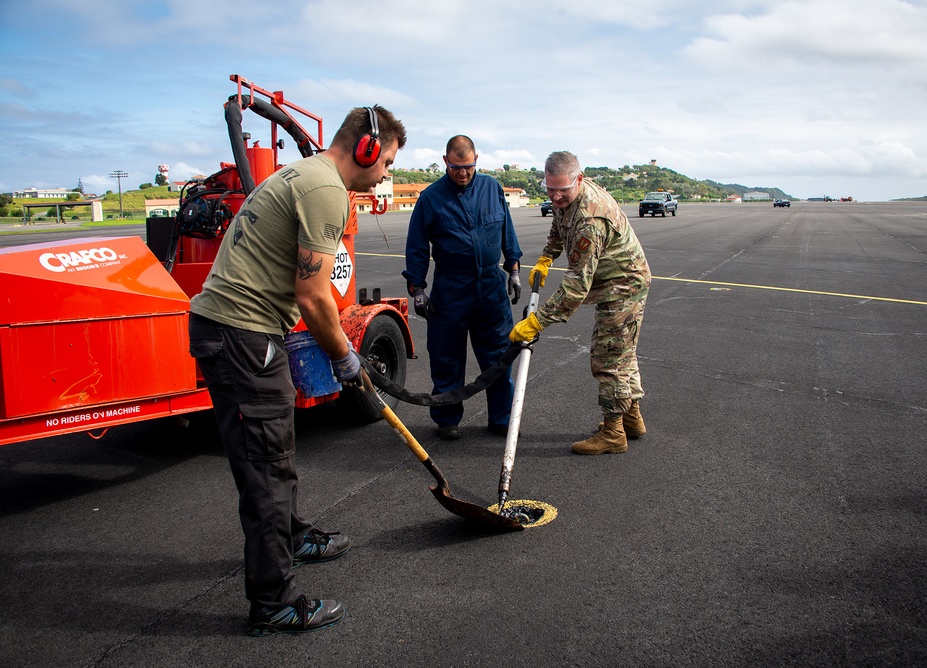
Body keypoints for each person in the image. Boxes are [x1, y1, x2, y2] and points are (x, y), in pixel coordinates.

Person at [188, 105, 406, 636]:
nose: (386, 175)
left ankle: (290, 535)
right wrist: (345, 357)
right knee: (266, 463)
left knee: (270, 452)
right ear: (366, 149)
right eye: (388, 161)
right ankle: (273, 602)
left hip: (235, 330)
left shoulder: (302, 174)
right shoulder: (326, 188)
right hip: (244, 334)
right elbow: (313, 295)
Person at [510, 150, 651, 456]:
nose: (556, 196)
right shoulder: (567, 199)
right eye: (550, 190)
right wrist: (548, 255)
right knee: (623, 352)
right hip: (615, 281)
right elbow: (559, 224)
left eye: (562, 190)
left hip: (622, 286)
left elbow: (576, 285)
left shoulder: (590, 218)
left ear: (579, 180)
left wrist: (538, 321)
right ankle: (631, 418)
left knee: (609, 357)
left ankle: (614, 433)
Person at [402, 136, 523, 441]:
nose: (463, 173)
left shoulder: (492, 188)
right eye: (456, 167)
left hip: (490, 286)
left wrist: (514, 270)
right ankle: (446, 418)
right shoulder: (431, 198)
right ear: (446, 162)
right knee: (447, 356)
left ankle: (501, 417)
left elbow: (506, 229)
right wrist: (417, 289)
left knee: (497, 355)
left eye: (468, 167)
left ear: (476, 160)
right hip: (452, 288)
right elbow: (417, 245)